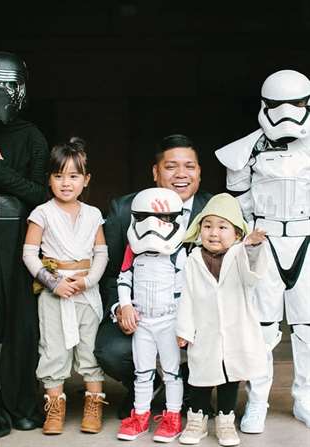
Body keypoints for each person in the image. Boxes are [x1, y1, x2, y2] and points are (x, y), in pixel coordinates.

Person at [215, 69, 310, 432]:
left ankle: (304, 399)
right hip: (264, 241)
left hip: (305, 241)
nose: (287, 112)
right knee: (262, 328)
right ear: (264, 106)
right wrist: (248, 239)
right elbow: (239, 201)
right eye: (278, 105)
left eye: (296, 104)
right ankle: (257, 401)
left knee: (306, 327)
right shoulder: (249, 148)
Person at [94, 134, 213, 418]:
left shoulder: (213, 209)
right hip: (144, 312)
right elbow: (111, 274)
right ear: (155, 172)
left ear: (199, 171)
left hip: (199, 315)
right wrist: (120, 307)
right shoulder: (125, 210)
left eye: (190, 166)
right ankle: (146, 386)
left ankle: (194, 391)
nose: (181, 174)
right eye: (171, 166)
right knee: (110, 350)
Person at [0, 51, 48, 440]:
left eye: (9, 85)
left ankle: (20, 402)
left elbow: (40, 194)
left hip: (20, 237)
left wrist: (1, 176)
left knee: (22, 324)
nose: (0, 93)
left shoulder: (31, 136)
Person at [22, 138, 109, 435]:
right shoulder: (42, 213)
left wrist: (87, 280)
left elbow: (101, 253)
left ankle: (93, 405)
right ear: (49, 179)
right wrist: (53, 283)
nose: (66, 183)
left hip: (86, 289)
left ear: (85, 180)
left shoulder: (94, 214)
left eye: (73, 176)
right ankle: (55, 408)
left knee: (90, 349)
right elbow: (30, 254)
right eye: (58, 176)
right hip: (54, 290)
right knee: (53, 350)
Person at [176, 193, 268, 446]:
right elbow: (187, 296)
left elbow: (253, 277)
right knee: (200, 377)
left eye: (222, 227)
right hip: (204, 330)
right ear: (199, 230)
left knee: (230, 375)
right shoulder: (193, 259)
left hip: (236, 330)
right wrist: (184, 329)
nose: (213, 233)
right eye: (207, 226)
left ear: (237, 234)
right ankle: (198, 420)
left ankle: (225, 420)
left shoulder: (240, 255)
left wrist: (252, 248)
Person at [115, 187, 186, 443]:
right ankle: (141, 416)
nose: (155, 224)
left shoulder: (179, 252)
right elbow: (124, 279)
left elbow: (184, 290)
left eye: (165, 218)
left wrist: (183, 325)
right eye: (145, 217)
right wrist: (124, 306)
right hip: (142, 321)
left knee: (171, 373)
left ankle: (173, 416)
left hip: (169, 319)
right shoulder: (132, 250)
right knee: (142, 372)